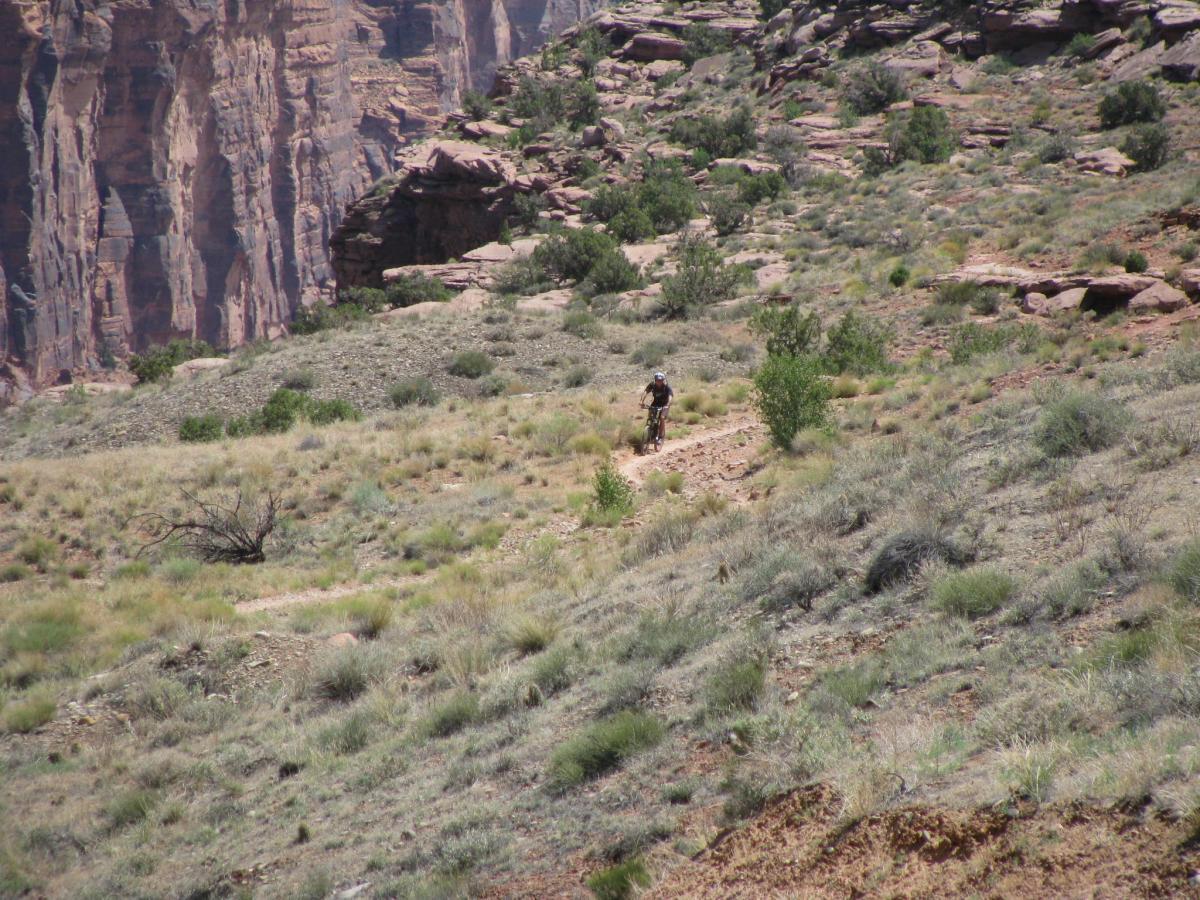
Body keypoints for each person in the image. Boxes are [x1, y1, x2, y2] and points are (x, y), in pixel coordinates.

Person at [640, 372, 673, 449]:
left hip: (665, 404)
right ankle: (650, 431)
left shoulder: (666, 386)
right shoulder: (652, 385)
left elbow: (670, 396)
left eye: (661, 380)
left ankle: (660, 436)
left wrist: (667, 404)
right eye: (658, 380)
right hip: (656, 403)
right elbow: (646, 391)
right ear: (655, 380)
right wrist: (641, 401)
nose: (659, 382)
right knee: (651, 416)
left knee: (661, 418)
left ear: (663, 380)